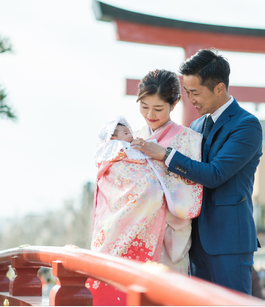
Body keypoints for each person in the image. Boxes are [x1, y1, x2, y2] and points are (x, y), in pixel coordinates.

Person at [132, 49, 263, 295]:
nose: (190, 99)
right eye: (186, 92)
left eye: (195, 92)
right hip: (194, 239)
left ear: (219, 88)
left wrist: (165, 154)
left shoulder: (247, 125)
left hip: (229, 240)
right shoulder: (196, 125)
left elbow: (215, 174)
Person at [86, 69, 203, 305]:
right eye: (144, 106)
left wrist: (159, 164)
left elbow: (190, 191)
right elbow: (112, 182)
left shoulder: (189, 139)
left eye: (158, 109)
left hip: (167, 234)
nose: (150, 114)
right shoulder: (129, 138)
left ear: (174, 104)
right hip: (128, 230)